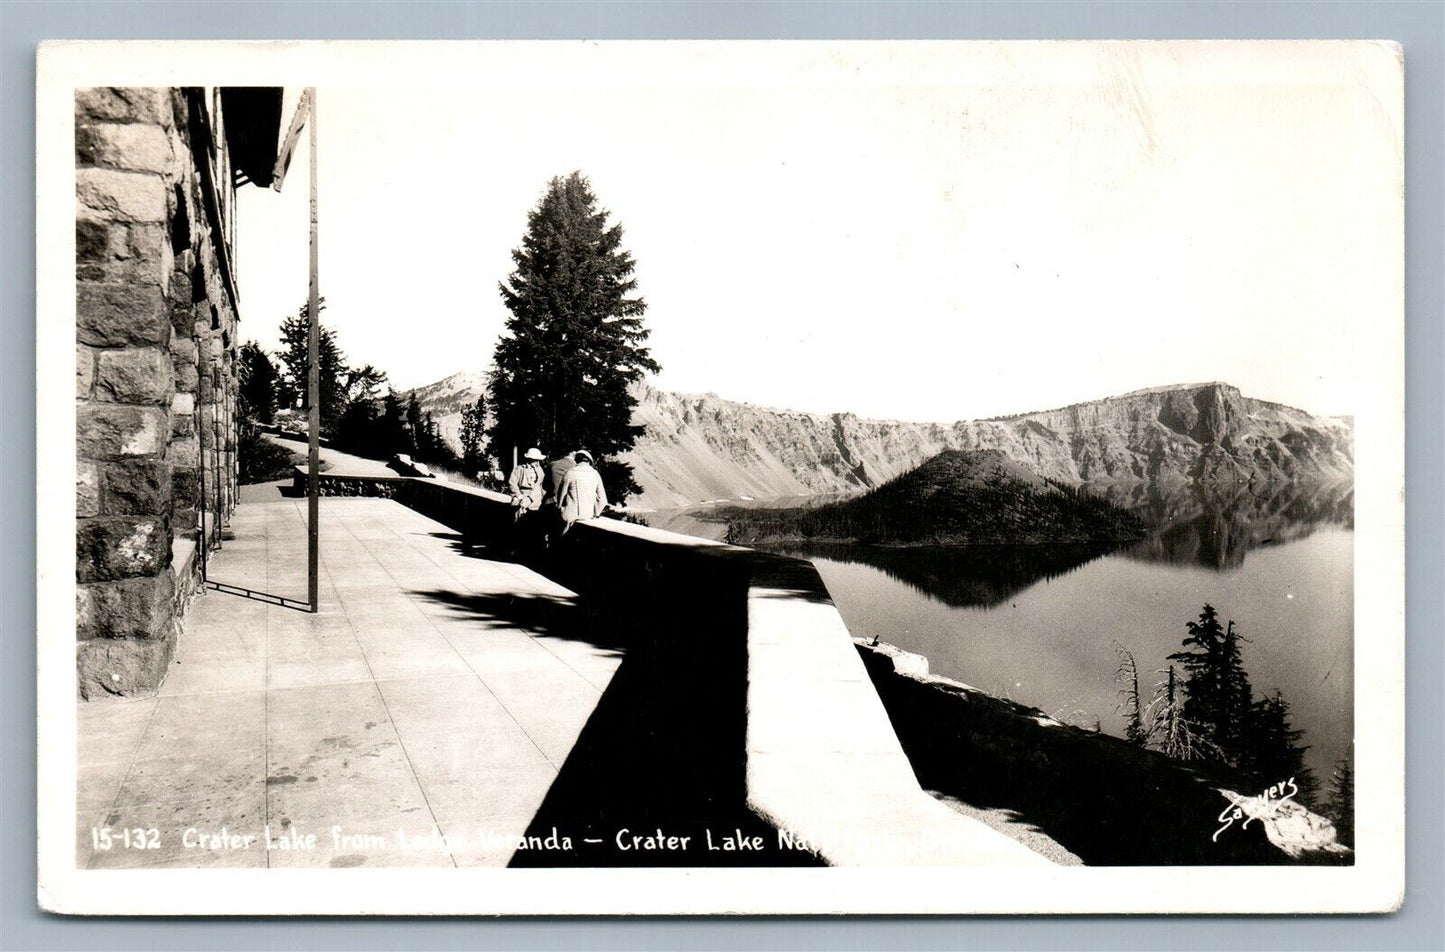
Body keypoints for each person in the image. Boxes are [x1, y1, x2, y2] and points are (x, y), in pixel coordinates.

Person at [556, 450, 608, 533]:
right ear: (590, 461)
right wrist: (596, 513)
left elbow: (561, 495)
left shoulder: (570, 473)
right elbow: (603, 500)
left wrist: (561, 509)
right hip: (588, 516)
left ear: (576, 460)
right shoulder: (595, 474)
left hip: (570, 516)